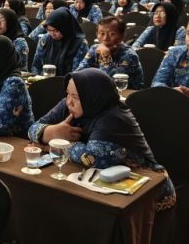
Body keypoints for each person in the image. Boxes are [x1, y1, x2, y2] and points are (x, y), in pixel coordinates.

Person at [28, 69, 175, 211]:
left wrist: (52, 144)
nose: (68, 102)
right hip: (99, 185)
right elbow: (33, 129)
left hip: (146, 193)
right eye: (67, 94)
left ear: (92, 96)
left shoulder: (114, 118)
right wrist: (53, 132)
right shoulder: (69, 105)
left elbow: (93, 158)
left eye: (76, 97)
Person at [76, 16, 144, 89]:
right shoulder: (94, 49)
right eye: (102, 33)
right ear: (96, 34)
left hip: (127, 94)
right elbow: (78, 74)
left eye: (112, 34)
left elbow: (112, 85)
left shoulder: (129, 55)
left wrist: (105, 57)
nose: (105, 38)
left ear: (122, 36)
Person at [32, 7, 87, 76]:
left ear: (64, 28)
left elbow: (78, 73)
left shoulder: (79, 43)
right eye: (49, 30)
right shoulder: (45, 39)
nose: (52, 34)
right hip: (44, 79)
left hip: (68, 80)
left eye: (56, 30)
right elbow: (36, 66)